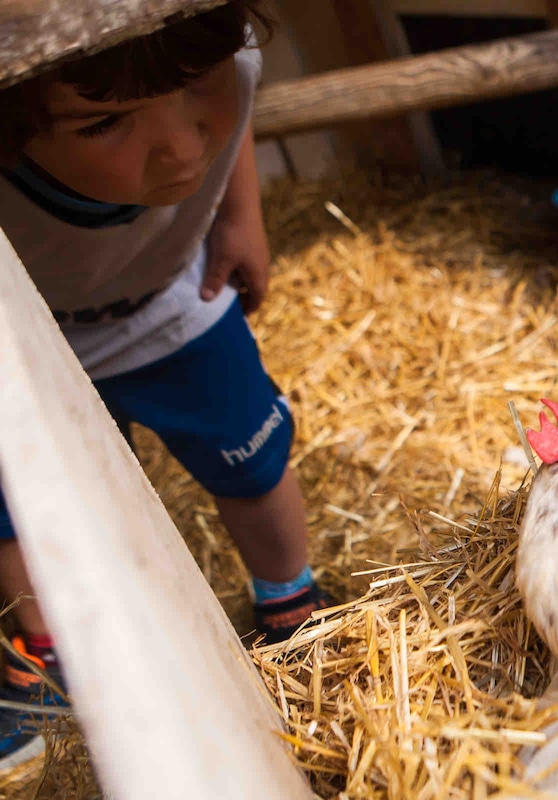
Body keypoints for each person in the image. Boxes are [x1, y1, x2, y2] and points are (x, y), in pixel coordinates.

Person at [0, 1, 327, 768]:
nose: (182, 149)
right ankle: (50, 663)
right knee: (18, 512)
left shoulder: (217, 47)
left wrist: (242, 216)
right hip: (27, 334)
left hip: (173, 303)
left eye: (196, 86)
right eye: (104, 124)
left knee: (252, 459)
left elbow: (235, 100)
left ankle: (292, 606)